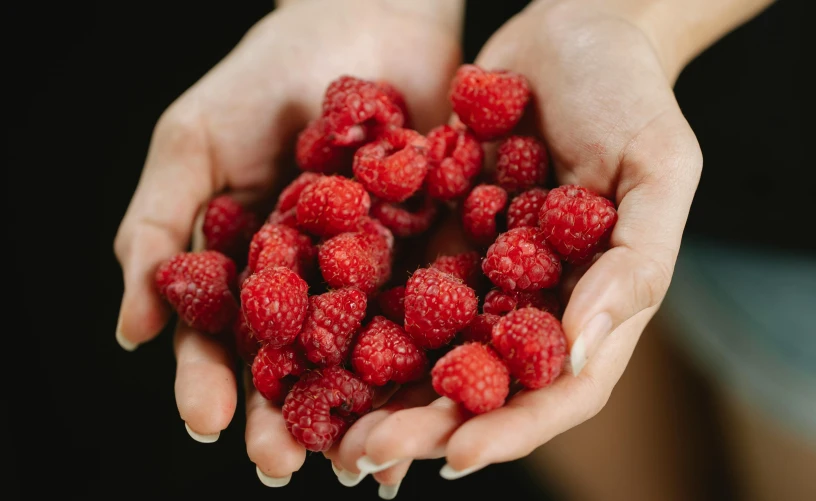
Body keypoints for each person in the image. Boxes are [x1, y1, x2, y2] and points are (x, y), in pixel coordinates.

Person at [113, 0, 814, 499]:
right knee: (589, 403)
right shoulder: (419, 236)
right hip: (515, 76)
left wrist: (637, 15)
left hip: (772, 169)